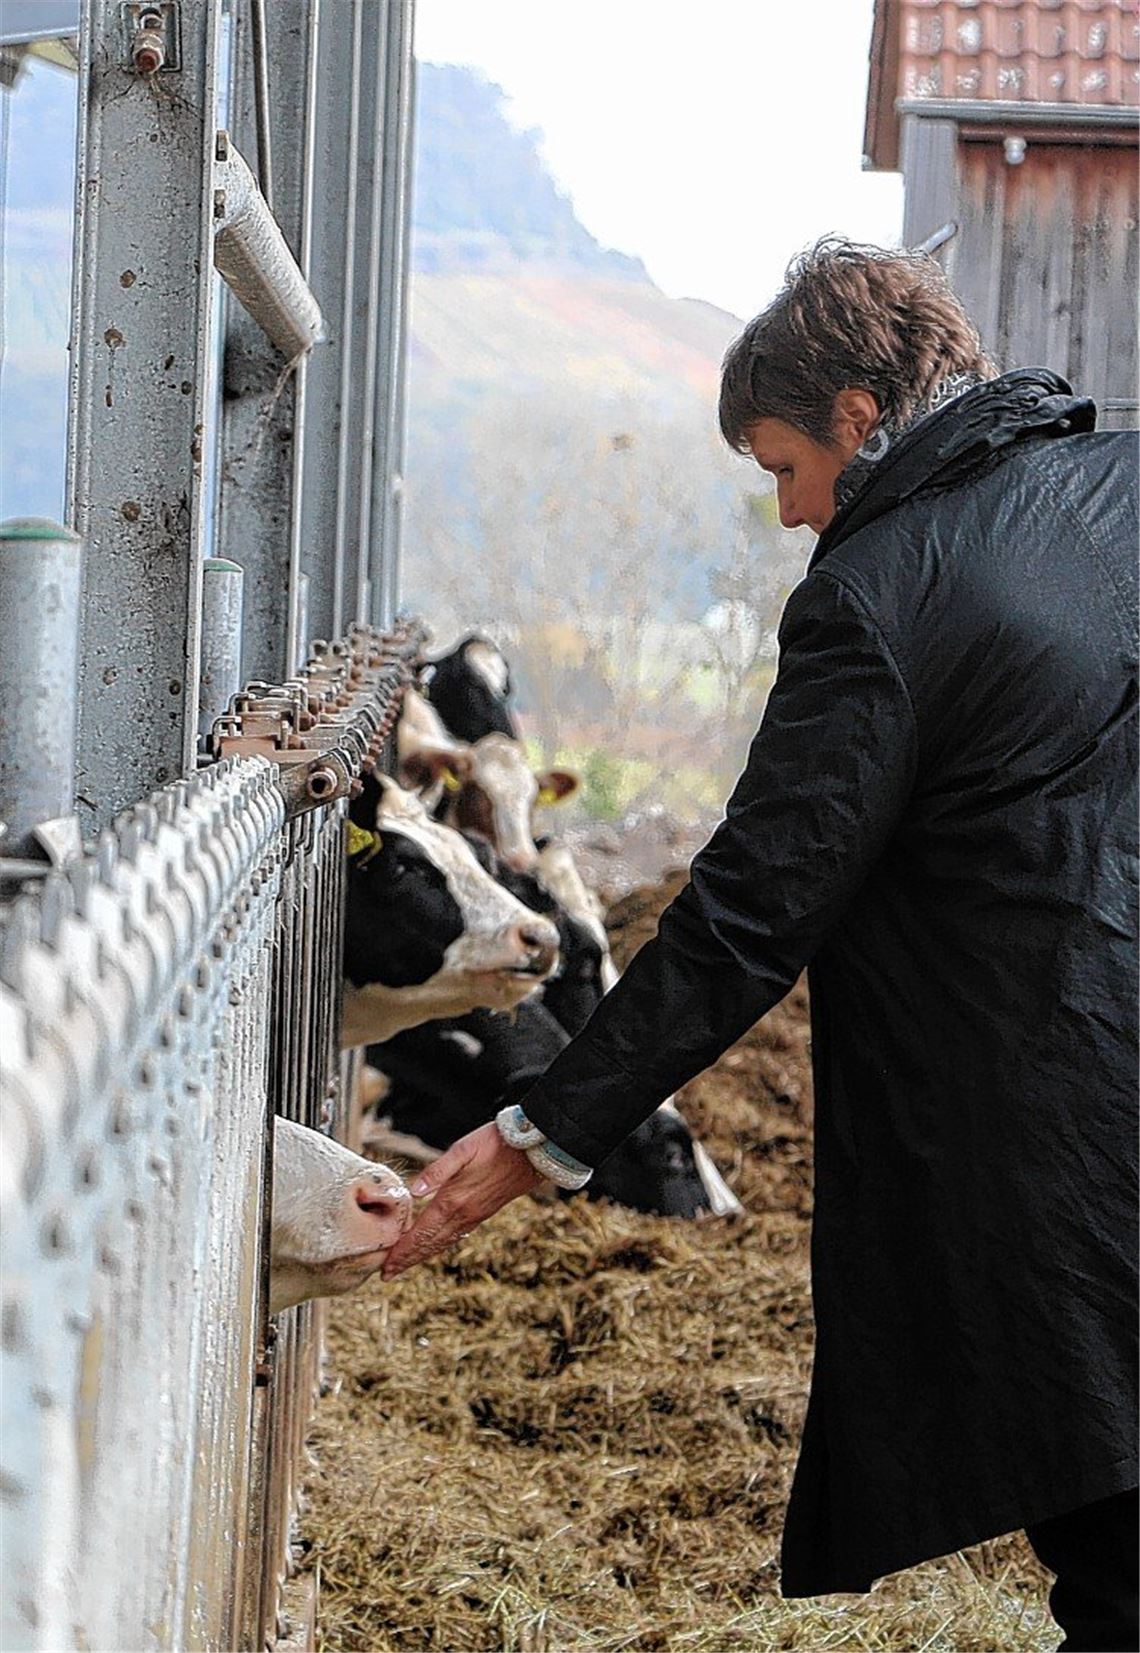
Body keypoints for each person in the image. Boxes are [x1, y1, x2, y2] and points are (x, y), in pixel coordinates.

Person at [382, 238, 1138, 1651]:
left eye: (783, 466)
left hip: (1059, 1151)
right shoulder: (1126, 488)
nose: (791, 514)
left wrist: (539, 1133)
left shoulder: (881, 592)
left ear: (860, 414)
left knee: (1119, 1577)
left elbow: (753, 907)